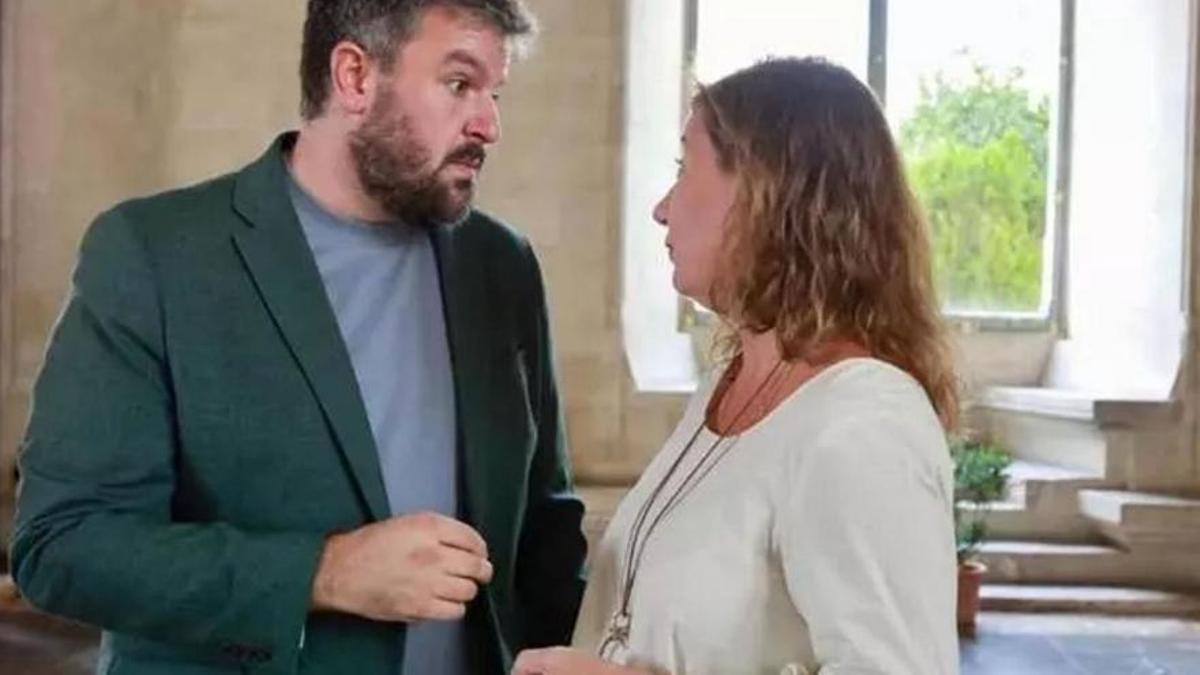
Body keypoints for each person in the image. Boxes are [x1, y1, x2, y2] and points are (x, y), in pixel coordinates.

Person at [10, 1, 587, 673]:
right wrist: (324, 571)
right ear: (353, 77)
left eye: (495, 92)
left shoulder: (503, 264)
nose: (489, 123)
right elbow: (64, 545)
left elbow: (547, 529)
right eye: (459, 84)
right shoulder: (154, 255)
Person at [514, 57, 960, 675]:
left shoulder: (863, 424)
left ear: (767, 193)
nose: (662, 209)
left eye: (683, 169)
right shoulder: (730, 383)